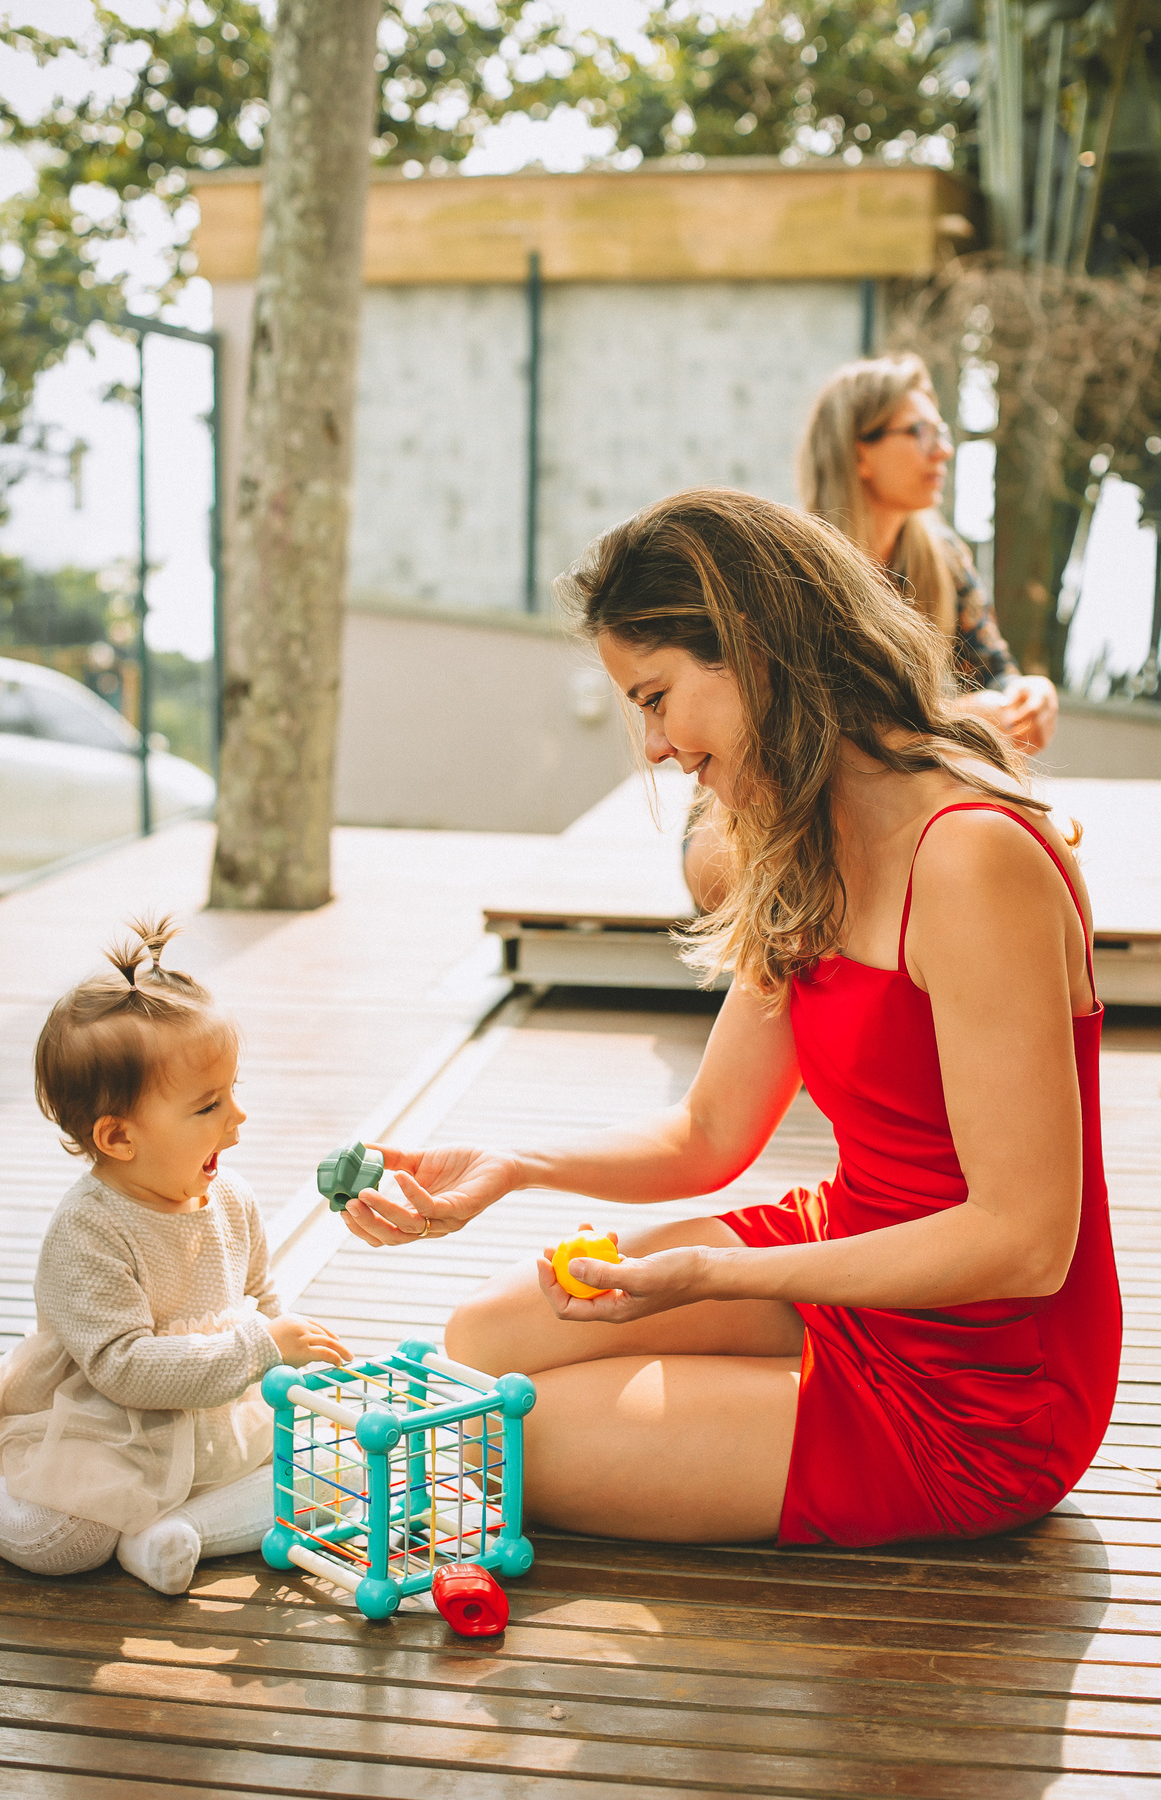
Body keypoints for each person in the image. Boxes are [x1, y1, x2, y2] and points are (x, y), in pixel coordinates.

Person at [336, 491, 1120, 1550]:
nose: (656, 746)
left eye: (658, 697)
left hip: (979, 1384)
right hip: (845, 1258)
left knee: (493, 1435)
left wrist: (714, 1279)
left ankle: (764, 1409)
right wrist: (515, 1163)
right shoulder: (798, 837)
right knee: (482, 1342)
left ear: (751, 645)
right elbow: (707, 1133)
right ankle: (754, 1397)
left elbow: (1023, 1245)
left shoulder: (973, 859)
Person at [0, 917, 349, 1593]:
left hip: (216, 1416)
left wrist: (293, 1363)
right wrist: (260, 1347)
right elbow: (123, 1369)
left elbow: (260, 1296)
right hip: (110, 1428)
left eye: (234, 1091)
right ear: (117, 1137)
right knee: (69, 1541)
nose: (238, 1117)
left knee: (330, 1468)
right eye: (208, 1105)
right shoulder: (88, 1231)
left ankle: (172, 1535)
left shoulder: (231, 1196)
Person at [685, 353, 1059, 913]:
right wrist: (955, 723)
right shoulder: (787, 572)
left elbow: (998, 677)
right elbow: (791, 739)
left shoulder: (943, 557)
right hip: (768, 831)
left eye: (943, 431)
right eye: (920, 432)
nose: (944, 450)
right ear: (860, 452)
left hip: (885, 832)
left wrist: (1032, 695)